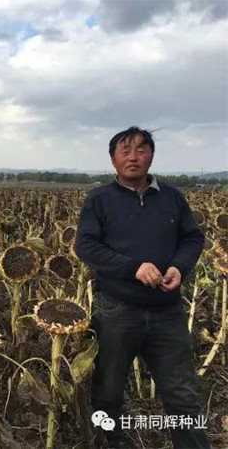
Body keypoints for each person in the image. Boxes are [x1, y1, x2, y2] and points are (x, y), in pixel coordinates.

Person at [75, 126, 211, 448]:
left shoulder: (172, 197)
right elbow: (86, 246)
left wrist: (179, 267)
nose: (133, 157)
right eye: (125, 151)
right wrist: (132, 267)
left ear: (151, 156)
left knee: (182, 393)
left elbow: (192, 238)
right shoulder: (99, 200)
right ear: (113, 160)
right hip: (116, 310)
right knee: (108, 392)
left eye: (140, 149)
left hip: (167, 311)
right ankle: (111, 443)